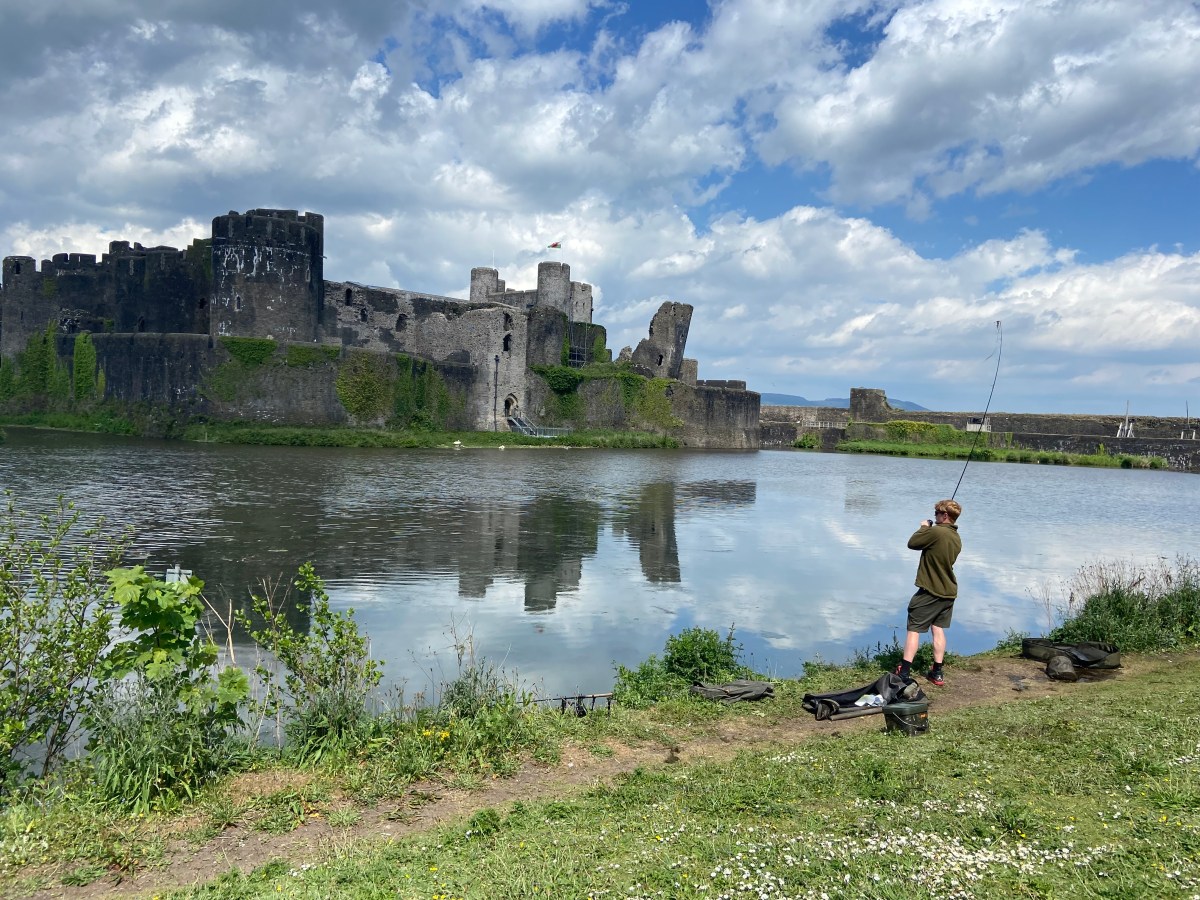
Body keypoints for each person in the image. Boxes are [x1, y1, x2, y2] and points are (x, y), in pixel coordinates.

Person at [895, 499, 962, 686]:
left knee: (914, 629)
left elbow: (913, 543)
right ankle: (937, 672)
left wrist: (924, 527)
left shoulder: (935, 532)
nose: (935, 517)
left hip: (930, 591)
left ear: (945, 515)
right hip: (948, 592)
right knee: (937, 628)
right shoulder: (956, 538)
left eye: (937, 514)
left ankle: (904, 672)